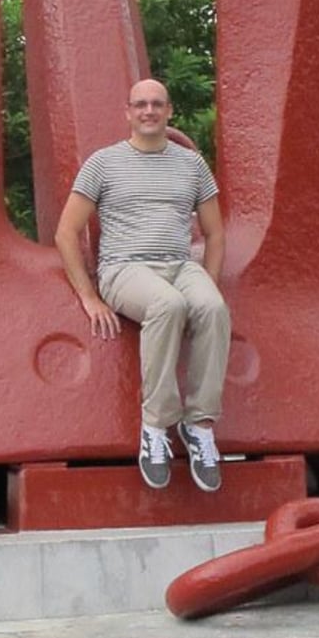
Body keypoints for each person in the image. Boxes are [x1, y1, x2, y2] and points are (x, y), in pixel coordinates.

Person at [54, 78, 231, 492]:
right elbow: (67, 232)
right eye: (140, 105)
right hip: (124, 268)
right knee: (167, 305)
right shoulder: (103, 163)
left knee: (213, 308)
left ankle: (200, 424)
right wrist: (89, 297)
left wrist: (208, 283)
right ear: (128, 113)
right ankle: (155, 426)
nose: (149, 111)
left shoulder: (191, 165)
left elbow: (215, 234)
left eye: (157, 104)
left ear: (170, 111)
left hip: (179, 264)